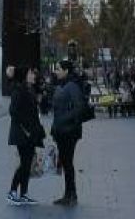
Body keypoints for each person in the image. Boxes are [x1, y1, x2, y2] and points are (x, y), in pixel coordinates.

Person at [7, 67, 45, 205]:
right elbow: (13, 111)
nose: (33, 75)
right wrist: (25, 128)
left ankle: (24, 193)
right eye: (30, 73)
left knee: (28, 164)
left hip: (30, 132)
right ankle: (12, 192)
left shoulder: (30, 89)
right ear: (24, 75)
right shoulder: (19, 90)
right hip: (22, 134)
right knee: (24, 164)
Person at [50, 60, 85, 206]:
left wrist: (64, 120)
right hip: (61, 131)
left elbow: (79, 107)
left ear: (66, 71)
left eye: (58, 69)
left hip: (69, 131)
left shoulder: (72, 86)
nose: (55, 71)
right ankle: (70, 194)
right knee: (65, 162)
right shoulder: (62, 85)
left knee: (67, 162)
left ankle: (70, 195)